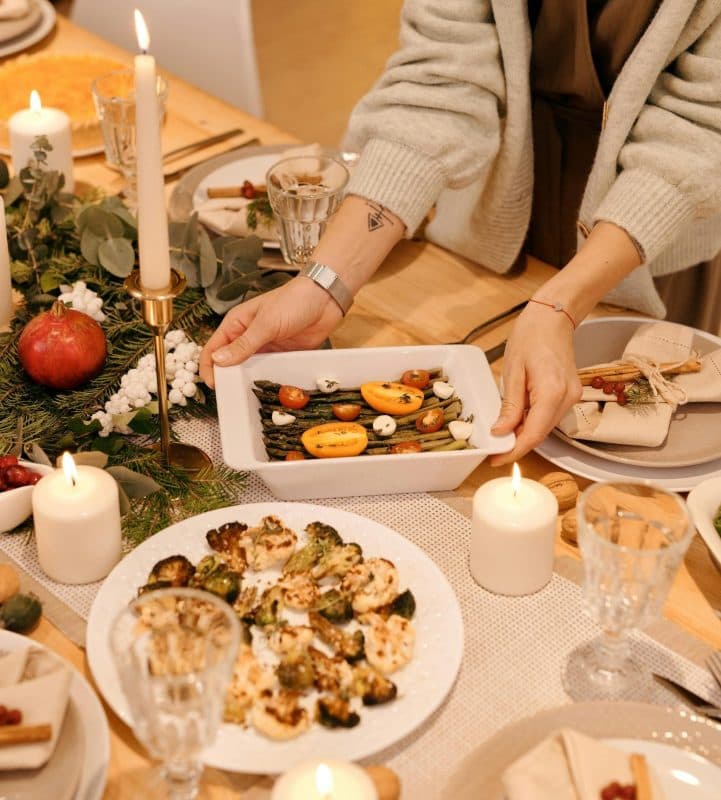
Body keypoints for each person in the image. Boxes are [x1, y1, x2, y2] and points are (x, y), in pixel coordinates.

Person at [200, 0, 721, 465]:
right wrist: (323, 283)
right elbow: (438, 82)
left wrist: (558, 305)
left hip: (656, 226)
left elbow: (697, 130)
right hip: (506, 186)